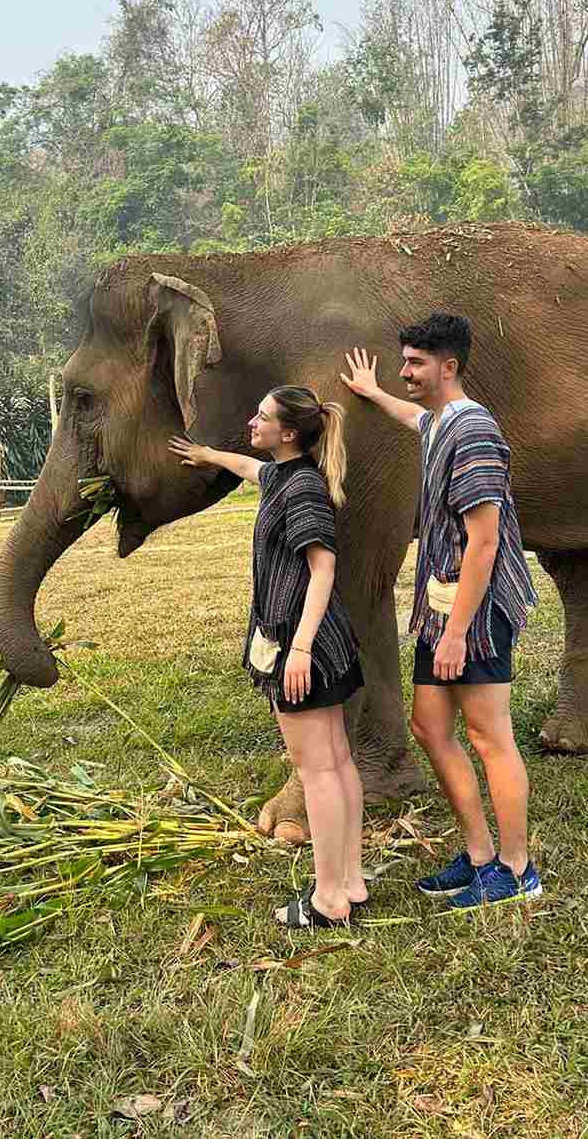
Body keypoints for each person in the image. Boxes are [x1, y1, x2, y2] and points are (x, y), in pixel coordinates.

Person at [341, 314, 541, 909]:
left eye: (415, 363)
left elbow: (485, 540)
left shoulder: (474, 431)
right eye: (404, 361)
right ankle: (479, 855)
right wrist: (373, 393)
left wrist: (457, 634)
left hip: (473, 613)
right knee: (430, 727)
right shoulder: (441, 423)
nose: (404, 371)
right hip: (441, 604)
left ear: (448, 368)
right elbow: (418, 419)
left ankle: (517, 868)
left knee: (488, 736)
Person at [169, 387, 366, 929]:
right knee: (337, 761)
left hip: (305, 647)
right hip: (322, 644)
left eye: (262, 416)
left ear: (289, 433)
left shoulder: (302, 489)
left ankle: (328, 899)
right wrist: (208, 456)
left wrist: (299, 649)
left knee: (317, 769)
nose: (251, 421)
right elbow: (249, 468)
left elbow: (323, 570)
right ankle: (349, 880)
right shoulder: (282, 473)